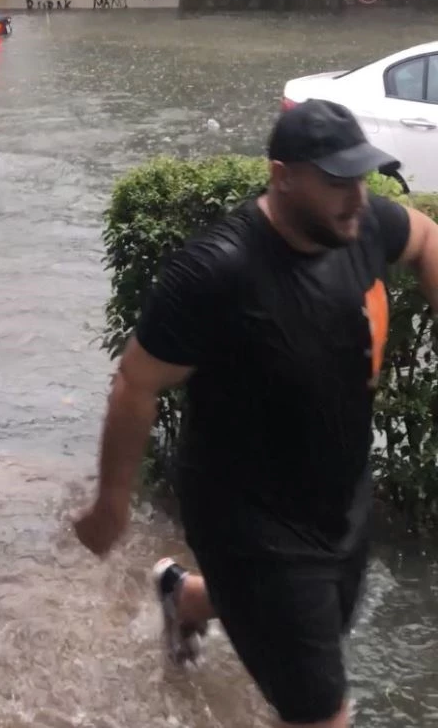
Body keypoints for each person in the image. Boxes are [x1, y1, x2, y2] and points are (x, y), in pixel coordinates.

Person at [74, 99, 438, 728]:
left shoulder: (360, 224)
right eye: (337, 181)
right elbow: (135, 383)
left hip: (339, 495)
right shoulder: (217, 271)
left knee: (312, 625)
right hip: (247, 517)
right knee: (321, 710)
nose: (357, 196)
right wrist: (112, 502)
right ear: (282, 177)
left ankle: (185, 597)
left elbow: (427, 238)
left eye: (360, 177)